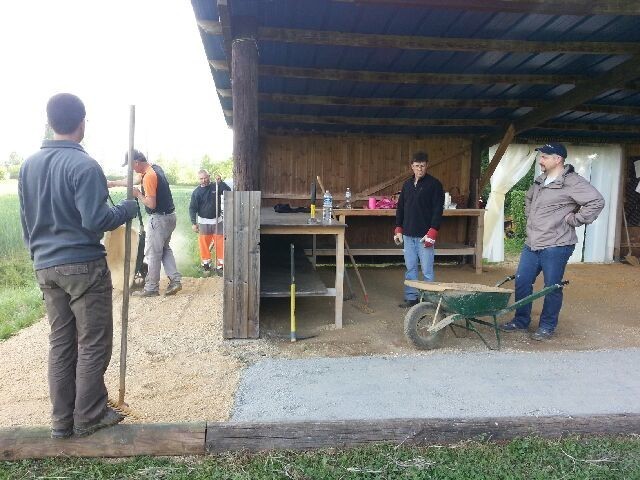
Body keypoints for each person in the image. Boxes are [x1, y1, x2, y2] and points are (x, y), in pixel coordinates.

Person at [18, 93, 138, 439]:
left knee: (61, 343)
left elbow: (26, 222)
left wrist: (39, 255)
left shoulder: (28, 165)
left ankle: (61, 421)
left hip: (45, 266)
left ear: (50, 122)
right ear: (82, 123)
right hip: (83, 265)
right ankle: (89, 415)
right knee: (93, 341)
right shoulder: (84, 166)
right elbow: (96, 220)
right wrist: (127, 209)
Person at [500, 142, 605, 341]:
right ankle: (521, 320)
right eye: (541, 156)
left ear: (558, 159)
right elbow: (528, 199)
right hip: (532, 243)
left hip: (557, 244)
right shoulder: (540, 180)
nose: (540, 160)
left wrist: (576, 219)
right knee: (522, 281)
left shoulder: (572, 182)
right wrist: (530, 217)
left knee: (552, 286)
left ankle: (547, 326)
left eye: (545, 157)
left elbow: (596, 201)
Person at [112, 150, 182, 297]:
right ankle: (175, 280)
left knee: (153, 253)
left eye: (131, 165)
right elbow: (133, 180)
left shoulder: (149, 176)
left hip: (159, 219)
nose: (131, 169)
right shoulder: (154, 169)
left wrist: (138, 194)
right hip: (170, 217)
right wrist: (111, 183)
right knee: (164, 249)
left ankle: (151, 288)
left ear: (136, 162)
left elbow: (151, 204)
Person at [394, 151, 445, 308]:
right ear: (412, 166)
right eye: (417, 166)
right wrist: (398, 228)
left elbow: (438, 210)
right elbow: (400, 208)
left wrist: (433, 231)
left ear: (427, 165)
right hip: (408, 234)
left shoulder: (435, 185)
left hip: (425, 235)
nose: (419, 169)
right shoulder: (407, 185)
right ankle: (411, 297)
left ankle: (428, 300)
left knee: (427, 270)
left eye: (422, 166)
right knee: (410, 268)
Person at [189, 170, 230, 273]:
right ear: (198, 179)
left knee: (220, 243)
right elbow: (192, 208)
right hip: (204, 222)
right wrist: (193, 223)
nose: (204, 180)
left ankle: (221, 266)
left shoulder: (216, 186)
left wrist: (220, 182)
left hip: (217, 221)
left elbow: (228, 191)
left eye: (205, 178)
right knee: (204, 244)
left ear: (209, 176)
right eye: (201, 179)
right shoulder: (196, 192)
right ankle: (206, 264)